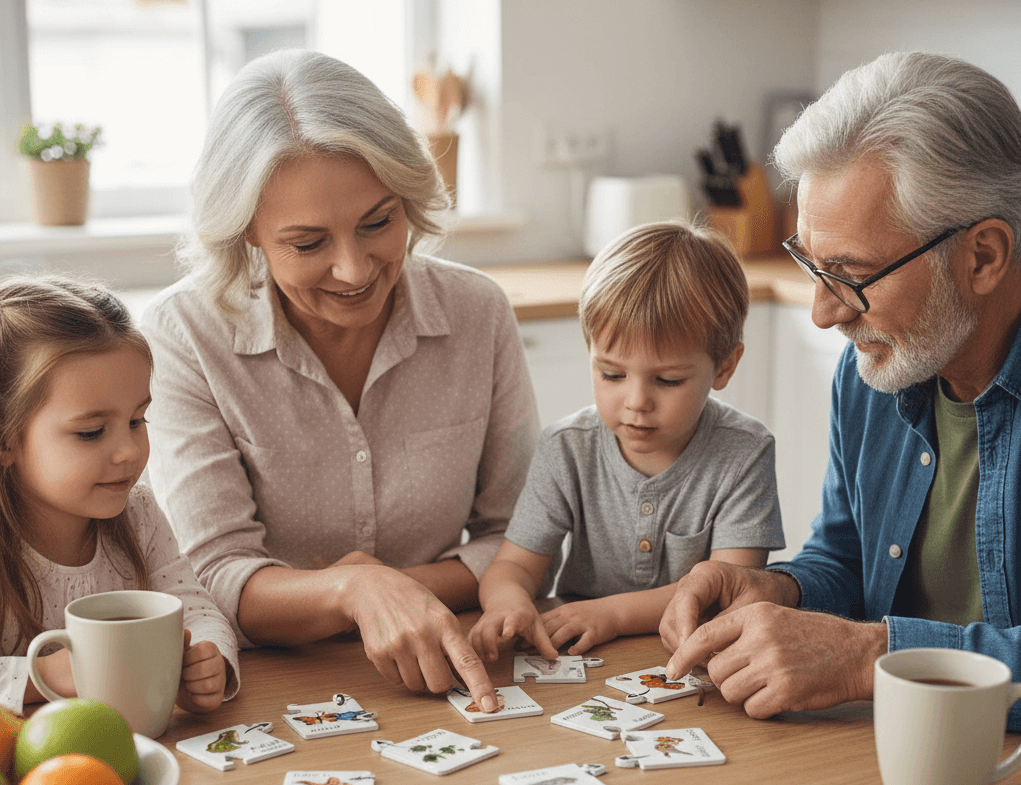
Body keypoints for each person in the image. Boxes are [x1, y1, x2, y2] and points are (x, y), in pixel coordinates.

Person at [142, 49, 539, 713]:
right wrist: (354, 592)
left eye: (378, 222)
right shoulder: (183, 337)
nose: (354, 270)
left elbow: (525, 533)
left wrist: (384, 590)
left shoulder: (477, 312)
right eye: (307, 243)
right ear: (248, 236)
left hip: (456, 666)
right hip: (273, 689)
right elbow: (214, 575)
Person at [661, 51, 1021, 731]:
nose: (823, 313)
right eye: (810, 265)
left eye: (850, 274)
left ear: (982, 256)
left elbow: (862, 644)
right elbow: (847, 559)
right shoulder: (877, 371)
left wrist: (867, 656)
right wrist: (777, 588)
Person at [469, 221, 784, 662]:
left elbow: (730, 592)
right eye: (612, 374)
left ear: (725, 367)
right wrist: (508, 602)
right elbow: (514, 566)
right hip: (579, 653)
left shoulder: (745, 452)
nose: (636, 402)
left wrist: (612, 615)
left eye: (668, 380)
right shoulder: (566, 448)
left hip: (690, 657)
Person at [0, 275, 239, 716]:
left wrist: (205, 658)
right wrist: (49, 674)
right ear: (6, 441)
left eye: (137, 420)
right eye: (91, 433)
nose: (129, 452)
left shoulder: (140, 513)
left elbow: (194, 607)